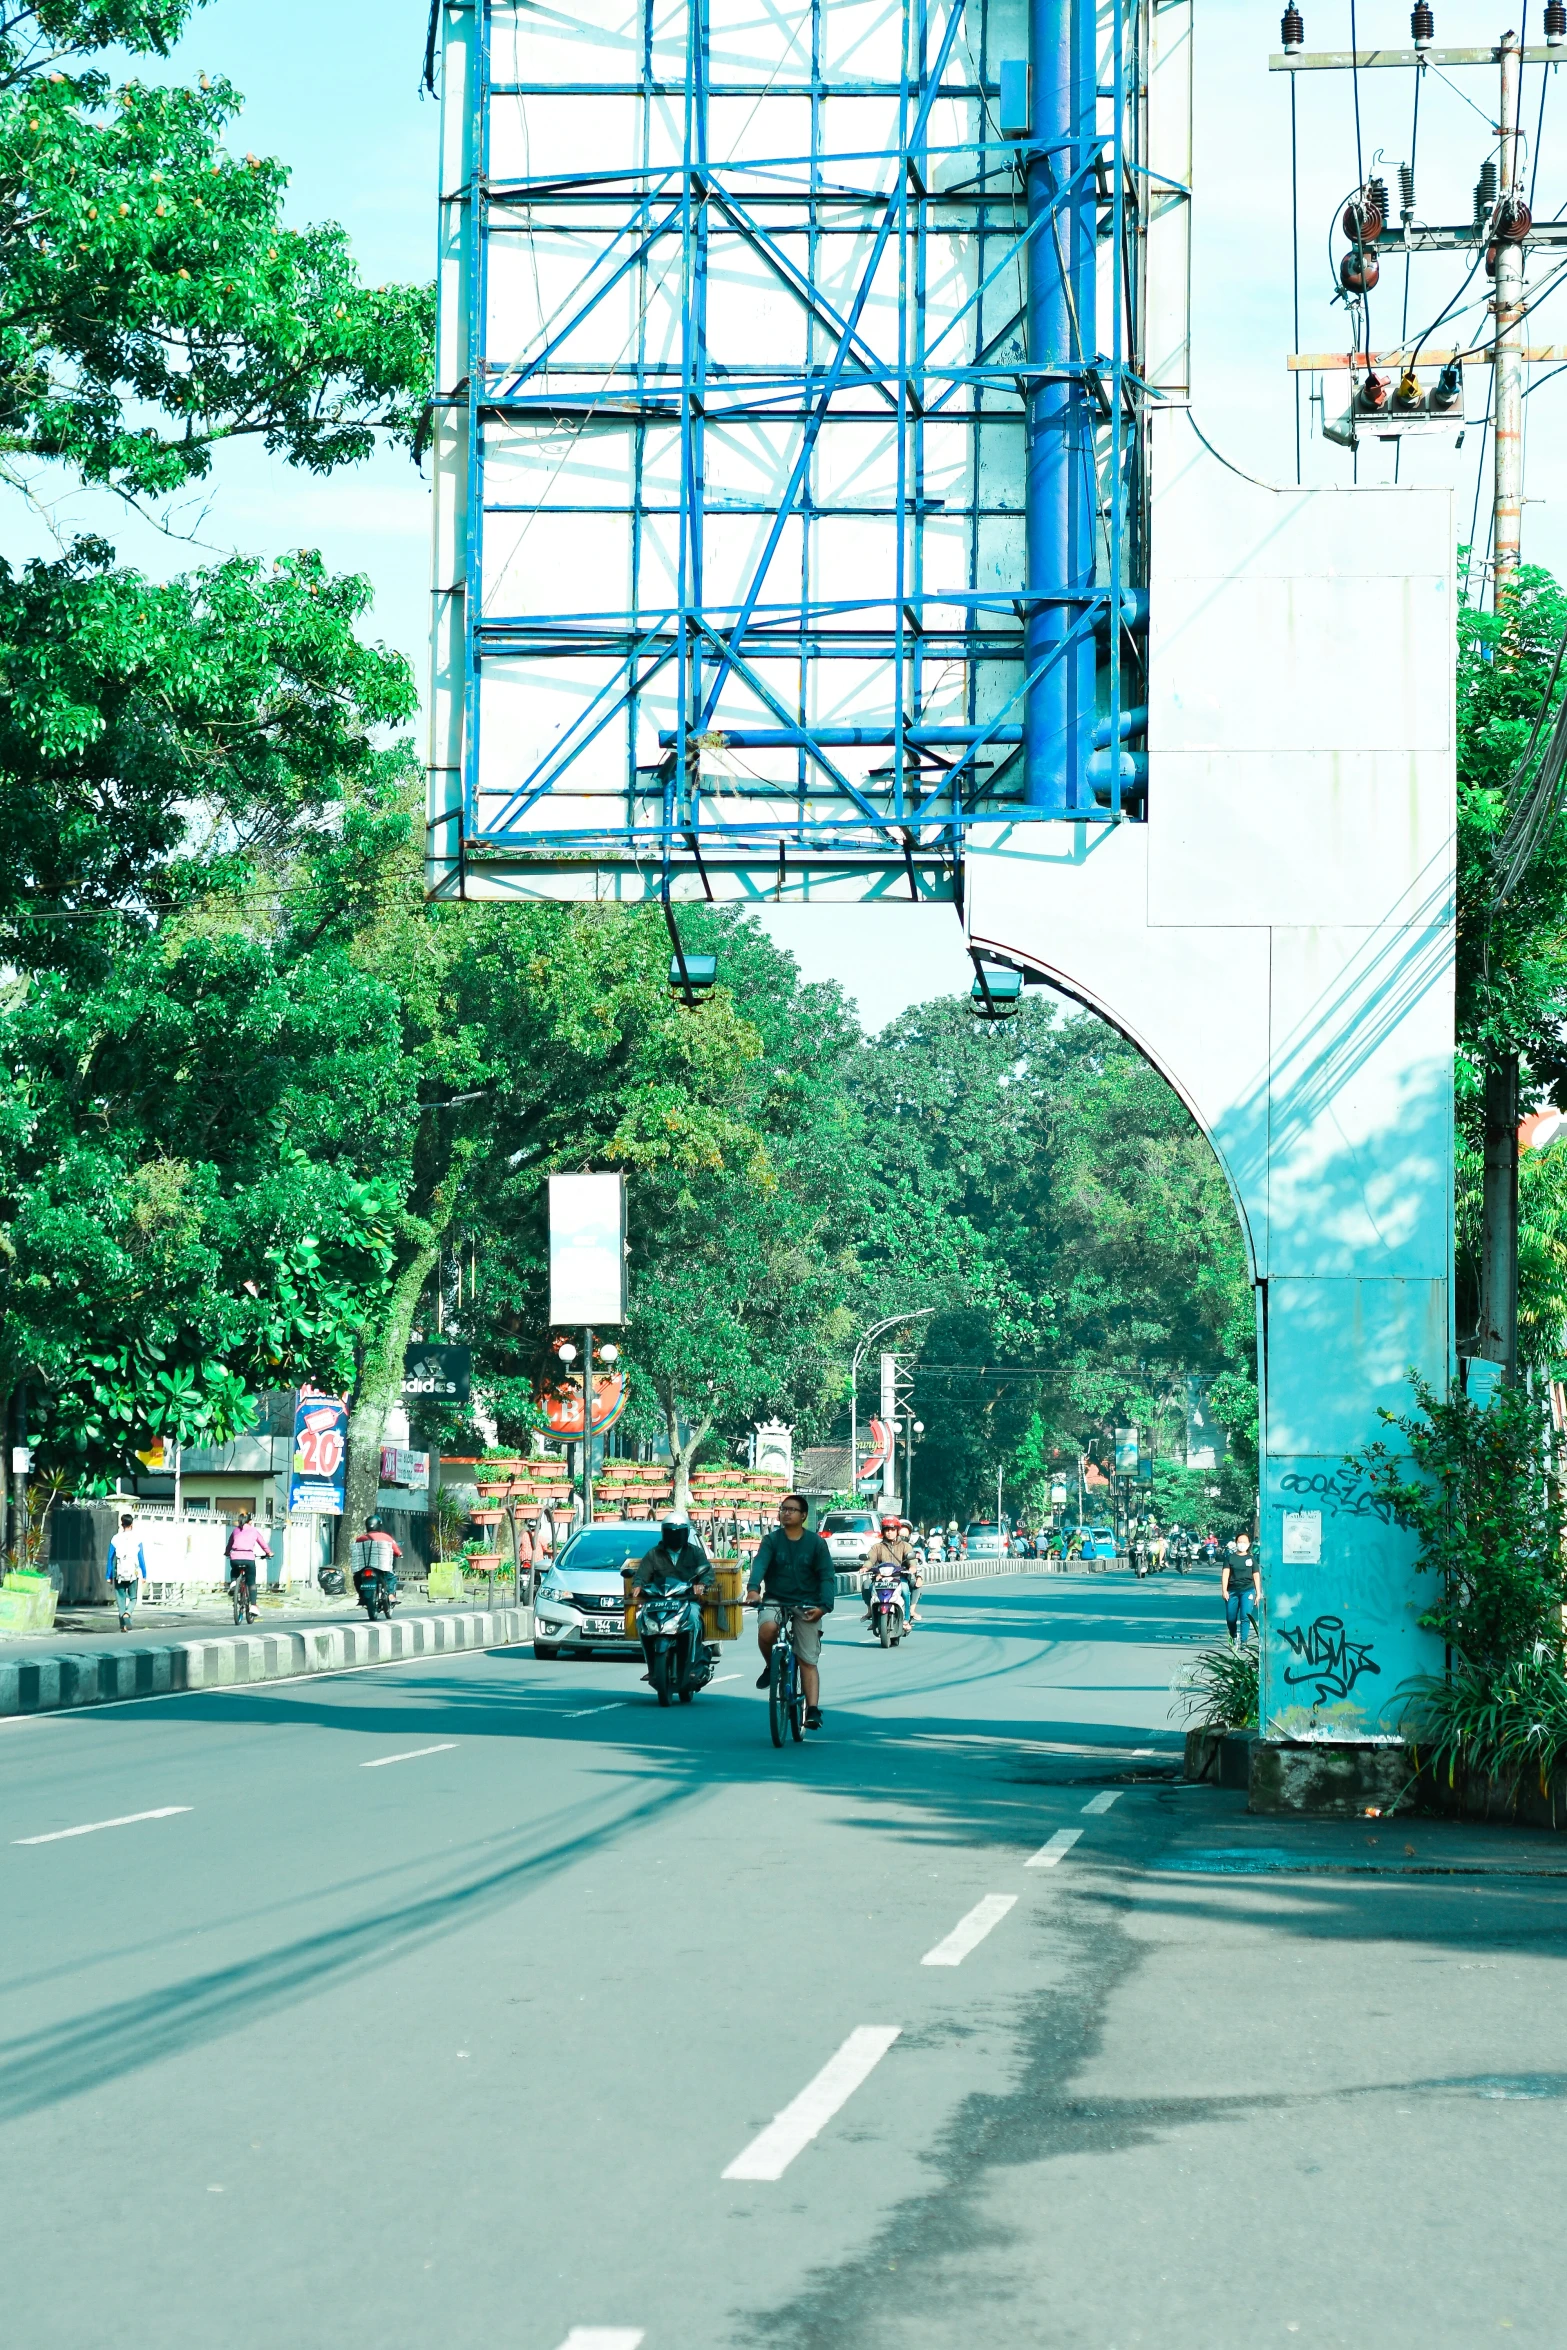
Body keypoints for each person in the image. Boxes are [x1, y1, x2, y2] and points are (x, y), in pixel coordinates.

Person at [746, 1492, 835, 1730]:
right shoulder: (771, 1541)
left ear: (803, 1515)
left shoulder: (816, 1543)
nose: (786, 1512)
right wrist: (753, 1590)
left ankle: (813, 1710)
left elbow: (827, 1576)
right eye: (783, 1509)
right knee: (767, 1631)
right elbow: (760, 1565)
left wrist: (823, 1607)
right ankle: (771, 1667)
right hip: (775, 1600)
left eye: (791, 1509)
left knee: (807, 1659)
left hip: (808, 1604)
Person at [630, 1514, 709, 1681]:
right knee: (641, 1621)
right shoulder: (653, 1554)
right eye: (670, 1532)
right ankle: (652, 1667)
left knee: (694, 1619)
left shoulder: (695, 1552)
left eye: (678, 1532)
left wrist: (701, 1585)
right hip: (659, 1602)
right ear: (663, 1533)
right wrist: (637, 1585)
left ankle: (693, 1664)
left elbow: (707, 1573)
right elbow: (642, 1575)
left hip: (687, 1601)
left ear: (686, 1533)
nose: (674, 1536)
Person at [860, 1513, 922, 1624]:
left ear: (897, 1530)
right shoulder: (877, 1547)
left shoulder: (905, 1546)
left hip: (899, 1577)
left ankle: (907, 1618)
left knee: (905, 1589)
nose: (889, 1532)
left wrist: (912, 1567)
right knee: (866, 1585)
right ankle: (870, 1611)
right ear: (883, 1532)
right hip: (880, 1577)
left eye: (892, 1530)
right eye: (887, 1530)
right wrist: (865, 1567)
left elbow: (911, 1560)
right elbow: (870, 1559)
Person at [224, 1509, 271, 1624]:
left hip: (235, 1557)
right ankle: (253, 1606)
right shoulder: (254, 1531)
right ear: (249, 1522)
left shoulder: (235, 1531)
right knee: (251, 1582)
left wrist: (227, 1553)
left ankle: (234, 1582)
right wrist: (269, 1553)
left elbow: (229, 1544)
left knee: (234, 1570)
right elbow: (263, 1544)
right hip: (249, 1558)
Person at [107, 1513, 145, 1633]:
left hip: (119, 1573)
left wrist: (108, 1575)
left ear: (121, 1524)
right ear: (132, 1524)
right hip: (133, 1574)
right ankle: (128, 1614)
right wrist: (144, 1574)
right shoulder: (137, 1539)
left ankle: (123, 1625)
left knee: (120, 1600)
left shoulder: (115, 1538)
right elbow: (141, 1558)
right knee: (133, 1598)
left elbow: (110, 1558)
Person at [354, 1515, 402, 1610]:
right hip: (381, 1566)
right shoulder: (386, 1537)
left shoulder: (360, 1538)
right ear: (379, 1525)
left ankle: (362, 1596)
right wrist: (399, 1553)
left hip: (364, 1566)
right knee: (391, 1578)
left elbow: (357, 1551)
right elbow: (396, 1551)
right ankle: (391, 1595)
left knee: (357, 1577)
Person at [1221, 1531, 1259, 1646]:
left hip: (1248, 1590)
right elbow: (1225, 1574)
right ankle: (1234, 1636)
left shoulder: (1252, 1559)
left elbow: (1256, 1576)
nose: (1242, 1544)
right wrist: (1224, 1590)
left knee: (1245, 1617)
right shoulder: (1230, 1558)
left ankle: (1244, 1642)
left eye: (1244, 1542)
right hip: (1232, 1591)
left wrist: (1258, 1593)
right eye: (1239, 1542)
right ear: (1236, 1543)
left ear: (1249, 1544)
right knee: (1230, 1618)